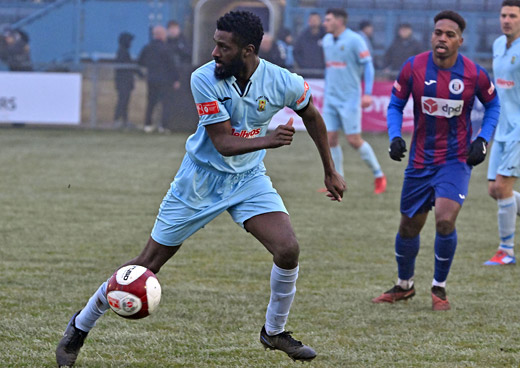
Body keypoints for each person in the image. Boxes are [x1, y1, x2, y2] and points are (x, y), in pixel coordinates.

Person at [55, 10, 346, 366]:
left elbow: (312, 115)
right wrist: (268, 140)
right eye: (215, 43)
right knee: (148, 264)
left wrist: (329, 170)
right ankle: (79, 327)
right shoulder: (204, 78)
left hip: (248, 179)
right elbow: (222, 142)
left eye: (223, 47)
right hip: (199, 180)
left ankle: (274, 331)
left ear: (248, 50)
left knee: (288, 249)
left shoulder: (282, 81)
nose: (214, 52)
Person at [372, 10, 500, 310]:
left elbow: (493, 106)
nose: (442, 39)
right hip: (419, 161)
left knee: (444, 221)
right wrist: (394, 135)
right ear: (432, 36)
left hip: (455, 160)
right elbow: (395, 104)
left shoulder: (474, 73)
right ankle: (405, 285)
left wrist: (482, 140)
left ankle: (439, 288)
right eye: (438, 33)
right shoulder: (413, 66)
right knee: (408, 227)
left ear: (460, 41)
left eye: (449, 35)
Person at [321, 8, 386, 194]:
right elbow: (330, 69)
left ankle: (379, 175)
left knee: (353, 140)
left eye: (328, 20)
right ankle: (338, 180)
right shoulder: (326, 41)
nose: (324, 23)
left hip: (349, 99)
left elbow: (369, 67)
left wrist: (367, 93)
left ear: (339, 21)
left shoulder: (355, 40)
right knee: (330, 139)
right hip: (330, 98)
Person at [484, 0, 520, 266]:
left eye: (512, 16)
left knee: (503, 186)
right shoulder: (498, 45)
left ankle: (506, 251)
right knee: (493, 191)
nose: (506, 20)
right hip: (502, 127)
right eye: (503, 15)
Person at [138, 25, 180, 133]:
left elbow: (140, 61)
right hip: (165, 80)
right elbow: (171, 65)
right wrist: (176, 79)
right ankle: (163, 126)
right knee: (165, 103)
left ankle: (148, 125)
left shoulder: (147, 48)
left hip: (151, 79)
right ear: (162, 35)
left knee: (151, 102)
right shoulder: (166, 49)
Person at [113, 32, 142, 128]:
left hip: (125, 82)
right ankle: (117, 120)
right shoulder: (122, 53)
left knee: (125, 101)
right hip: (123, 82)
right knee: (122, 100)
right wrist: (140, 73)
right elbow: (130, 67)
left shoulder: (124, 52)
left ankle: (124, 120)